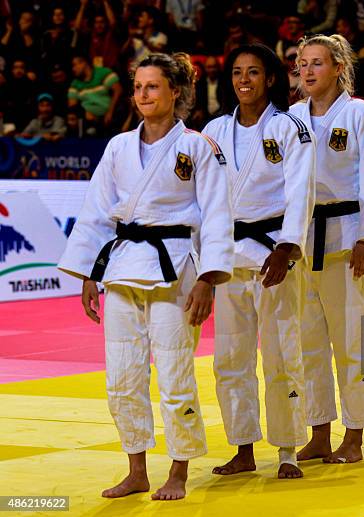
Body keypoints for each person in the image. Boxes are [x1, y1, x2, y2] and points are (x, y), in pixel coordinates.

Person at [58, 52, 234, 500]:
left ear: (176, 92)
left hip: (175, 267)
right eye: (137, 87)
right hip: (121, 268)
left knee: (175, 374)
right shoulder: (118, 147)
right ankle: (136, 468)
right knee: (122, 376)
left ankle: (179, 468)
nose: (141, 95)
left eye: (152, 86)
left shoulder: (197, 146)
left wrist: (208, 278)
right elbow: (97, 212)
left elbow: (217, 214)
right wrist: (87, 273)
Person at [203, 43, 316, 479]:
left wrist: (287, 247)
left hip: (274, 254)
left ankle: (287, 448)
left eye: (252, 73)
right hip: (229, 255)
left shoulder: (289, 128)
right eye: (236, 73)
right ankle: (243, 448)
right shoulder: (214, 129)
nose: (243, 81)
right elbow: (205, 197)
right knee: (230, 358)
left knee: (282, 352)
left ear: (270, 78)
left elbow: (300, 191)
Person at [290, 34, 364, 464]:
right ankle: (318, 430)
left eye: (317, 63)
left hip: (349, 235)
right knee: (308, 342)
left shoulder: (359, 113)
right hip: (301, 239)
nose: (308, 71)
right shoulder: (290, 117)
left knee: (351, 341)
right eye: (302, 63)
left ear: (338, 68)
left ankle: (355, 434)